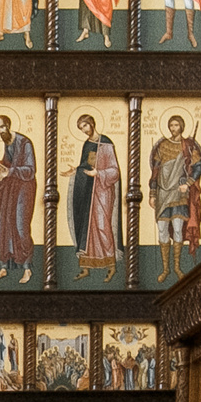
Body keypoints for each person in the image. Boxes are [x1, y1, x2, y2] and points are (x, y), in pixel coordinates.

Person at [149, 114, 201, 282]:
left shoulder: (188, 145)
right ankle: (165, 269)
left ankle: (177, 267)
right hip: (163, 193)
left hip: (179, 193)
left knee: (178, 228)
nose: (173, 128)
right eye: (171, 125)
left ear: (181, 126)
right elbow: (156, 171)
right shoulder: (163, 145)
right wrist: (152, 193)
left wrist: (188, 183)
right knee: (162, 230)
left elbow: (198, 166)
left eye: (176, 125)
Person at [69, 112, 122, 282]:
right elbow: (84, 166)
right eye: (80, 128)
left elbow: (115, 171)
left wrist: (98, 173)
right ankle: (86, 268)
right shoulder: (87, 144)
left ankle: (111, 266)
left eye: (85, 125)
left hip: (103, 191)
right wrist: (75, 171)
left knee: (102, 226)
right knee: (88, 228)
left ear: (91, 123)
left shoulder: (105, 143)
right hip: (88, 191)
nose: (84, 130)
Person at [0, 114, 36, 283]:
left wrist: (9, 172)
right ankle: (4, 267)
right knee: (5, 224)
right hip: (11, 188)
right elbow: (8, 165)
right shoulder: (7, 143)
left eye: (1, 127)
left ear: (8, 125)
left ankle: (27, 268)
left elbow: (30, 170)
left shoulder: (24, 142)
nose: (0, 131)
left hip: (25, 188)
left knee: (21, 226)